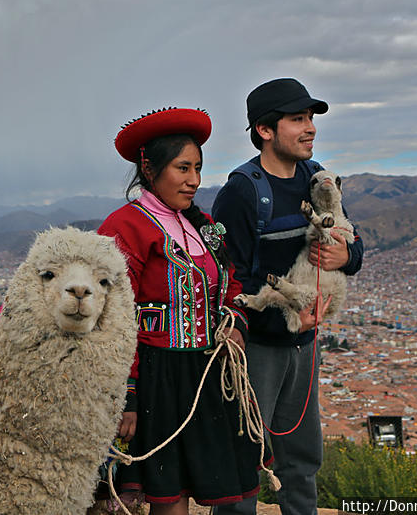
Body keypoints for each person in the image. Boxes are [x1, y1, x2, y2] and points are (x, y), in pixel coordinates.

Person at [98, 107, 269, 515]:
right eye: (182, 168)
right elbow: (113, 318)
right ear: (149, 167)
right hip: (158, 382)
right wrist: (130, 395)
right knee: (169, 501)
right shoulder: (125, 228)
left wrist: (235, 324)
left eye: (198, 168)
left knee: (197, 492)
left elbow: (232, 284)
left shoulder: (202, 224)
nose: (194, 180)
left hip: (206, 378)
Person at [211, 78, 363, 515]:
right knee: (245, 454)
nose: (310, 127)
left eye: (310, 118)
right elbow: (227, 277)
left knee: (302, 456)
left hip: (304, 346)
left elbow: (351, 244)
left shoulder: (318, 180)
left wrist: (344, 255)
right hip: (259, 347)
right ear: (265, 130)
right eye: (297, 119)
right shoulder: (242, 192)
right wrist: (280, 321)